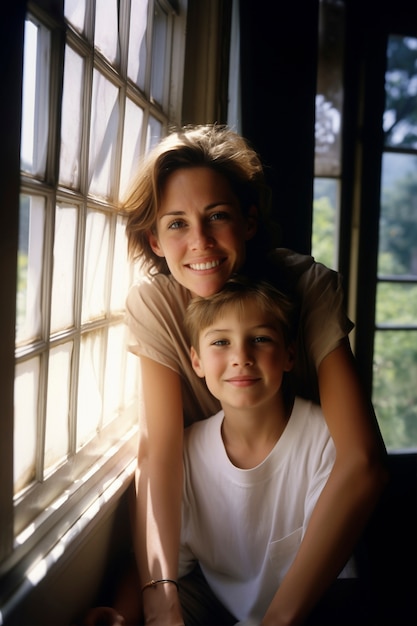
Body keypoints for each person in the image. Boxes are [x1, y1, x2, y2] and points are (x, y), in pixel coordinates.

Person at [121, 124, 387, 625]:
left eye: (216, 216)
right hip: (223, 526)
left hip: (314, 513)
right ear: (154, 240)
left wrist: (279, 619)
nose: (199, 241)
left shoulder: (305, 286)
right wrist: (155, 602)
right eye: (176, 224)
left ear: (247, 220)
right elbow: (159, 452)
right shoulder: (156, 305)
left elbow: (363, 460)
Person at [177, 276, 358, 626]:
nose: (241, 357)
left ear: (290, 354)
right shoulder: (186, 452)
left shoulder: (327, 440)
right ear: (196, 362)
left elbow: (341, 587)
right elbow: (166, 565)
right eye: (220, 342)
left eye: (260, 339)